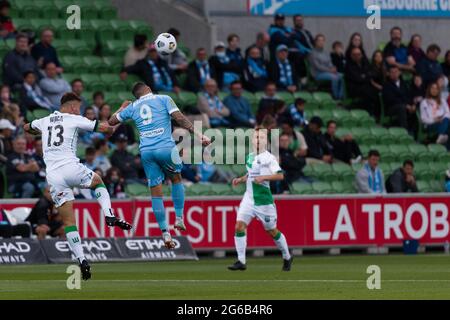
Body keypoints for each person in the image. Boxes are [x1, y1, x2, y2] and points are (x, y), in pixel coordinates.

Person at [23, 92, 133, 280]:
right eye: (79, 107)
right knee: (98, 181)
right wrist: (121, 112)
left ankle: (82, 260)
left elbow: (26, 127)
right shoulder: (74, 118)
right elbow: (107, 129)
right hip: (70, 167)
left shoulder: (45, 120)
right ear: (73, 107)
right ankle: (109, 215)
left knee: (68, 223)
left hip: (54, 176)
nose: (80, 110)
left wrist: (39, 131)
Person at [108, 82, 211, 249]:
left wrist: (121, 108)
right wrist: (198, 134)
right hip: (165, 148)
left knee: (156, 192)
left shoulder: (132, 107)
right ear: (148, 89)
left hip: (147, 152)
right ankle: (179, 218)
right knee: (176, 179)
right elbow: (179, 118)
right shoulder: (163, 98)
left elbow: (111, 121)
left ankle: (165, 233)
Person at [228, 127, 292, 272]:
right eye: (256, 137)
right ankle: (241, 261)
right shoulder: (250, 156)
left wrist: (264, 177)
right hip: (249, 199)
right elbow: (251, 174)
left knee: (272, 231)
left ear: (266, 141)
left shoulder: (269, 158)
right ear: (252, 140)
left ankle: (287, 256)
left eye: (261, 137)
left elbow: (280, 175)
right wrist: (241, 179)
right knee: (239, 226)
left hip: (264, 201)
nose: (258, 140)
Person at [344, 47, 380, 117]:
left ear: (361, 55)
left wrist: (365, 76)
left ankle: (376, 114)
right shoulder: (348, 66)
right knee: (369, 92)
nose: (357, 56)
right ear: (351, 55)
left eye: (358, 54)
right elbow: (357, 78)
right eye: (354, 54)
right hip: (354, 88)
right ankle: (370, 113)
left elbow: (371, 74)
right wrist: (366, 76)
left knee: (377, 91)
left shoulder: (365, 63)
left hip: (366, 86)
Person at [382, 65, 417, 133]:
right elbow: (391, 99)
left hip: (405, 106)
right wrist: (406, 105)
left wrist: (412, 105)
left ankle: (414, 131)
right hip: (392, 107)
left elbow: (409, 96)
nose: (394, 74)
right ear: (389, 74)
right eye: (392, 72)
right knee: (402, 108)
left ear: (399, 73)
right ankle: (404, 132)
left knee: (415, 107)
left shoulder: (404, 84)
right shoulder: (386, 85)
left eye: (396, 72)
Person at [309, 34, 344, 100]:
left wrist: (333, 67)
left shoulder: (326, 52)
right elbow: (318, 66)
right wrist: (329, 70)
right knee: (335, 78)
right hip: (318, 73)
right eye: (319, 40)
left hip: (328, 72)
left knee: (342, 76)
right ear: (316, 42)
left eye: (322, 40)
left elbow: (329, 63)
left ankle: (341, 96)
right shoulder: (312, 53)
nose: (321, 42)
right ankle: (335, 97)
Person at [419, 82, 450, 146]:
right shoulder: (424, 102)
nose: (434, 90)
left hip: (443, 122)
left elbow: (448, 113)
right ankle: (441, 138)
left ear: (438, 90)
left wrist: (441, 118)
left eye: (436, 88)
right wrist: (435, 120)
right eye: (432, 88)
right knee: (447, 127)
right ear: (429, 90)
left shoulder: (442, 100)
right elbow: (423, 119)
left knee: (446, 120)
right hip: (430, 124)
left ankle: (440, 137)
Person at [290, 14, 314, 79]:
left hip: (313, 53)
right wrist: (310, 52)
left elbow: (313, 43)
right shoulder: (293, 33)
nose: (299, 22)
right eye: (297, 20)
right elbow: (298, 45)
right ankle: (306, 78)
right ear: (294, 22)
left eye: (300, 20)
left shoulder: (307, 32)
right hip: (305, 54)